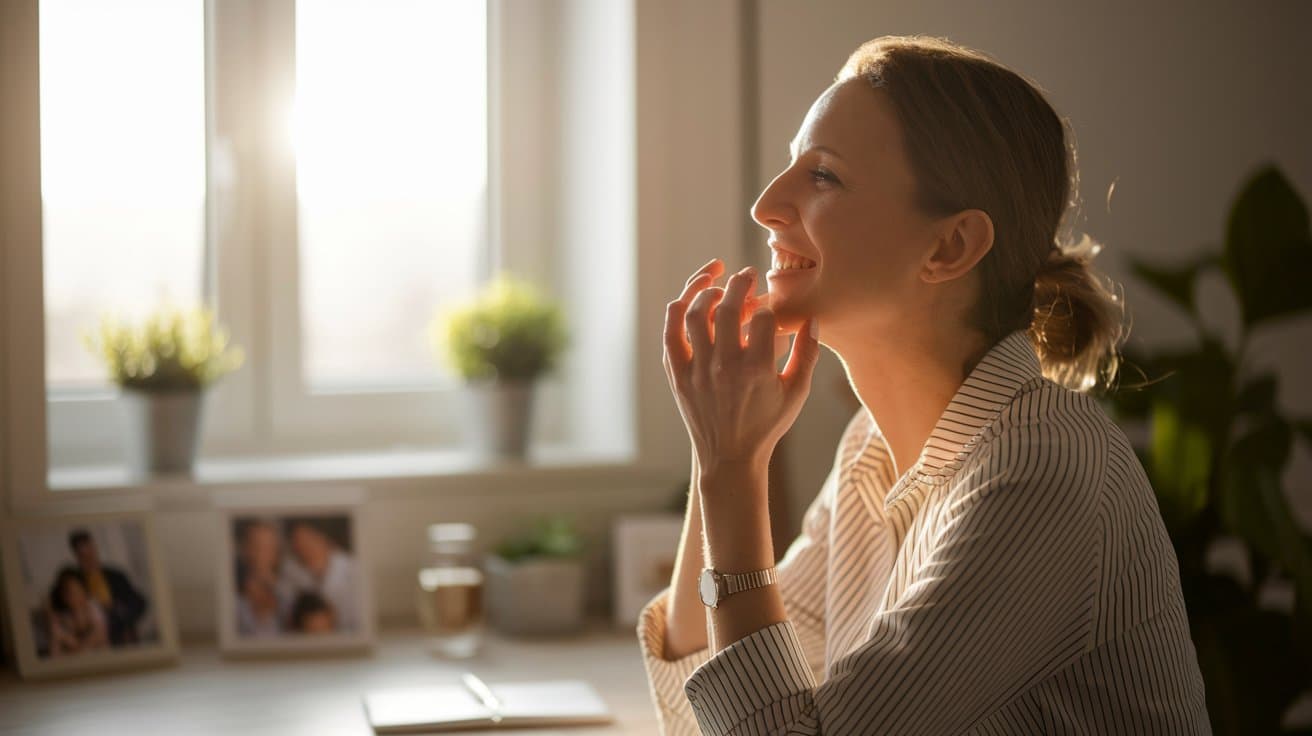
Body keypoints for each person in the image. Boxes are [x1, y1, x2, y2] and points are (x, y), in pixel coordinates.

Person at [636, 36, 1210, 735]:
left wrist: (730, 467)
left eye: (824, 176)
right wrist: (722, 453)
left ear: (949, 247)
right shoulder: (870, 454)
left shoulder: (1044, 472)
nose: (766, 205)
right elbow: (699, 711)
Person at [68, 529, 148, 646]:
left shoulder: (116, 575)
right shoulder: (74, 581)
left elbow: (139, 602)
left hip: (121, 629)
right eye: (83, 555)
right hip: (93, 635)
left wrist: (123, 616)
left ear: (95, 549)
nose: (89, 558)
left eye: (91, 552)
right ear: (77, 556)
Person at [283, 519, 360, 632]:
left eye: (308, 538)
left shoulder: (353, 569)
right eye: (297, 540)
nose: (303, 546)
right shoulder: (289, 570)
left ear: (324, 537)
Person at [234, 520, 291, 637]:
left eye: (268, 547)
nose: (260, 553)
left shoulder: (290, 593)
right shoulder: (233, 595)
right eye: (255, 546)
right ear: (244, 549)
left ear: (276, 552)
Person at [46, 567, 109, 657]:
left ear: (84, 590)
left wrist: (79, 646)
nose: (73, 597)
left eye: (76, 591)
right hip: (70, 658)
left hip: (96, 655)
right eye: (68, 592)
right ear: (62, 595)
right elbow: (55, 648)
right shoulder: (60, 614)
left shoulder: (92, 607)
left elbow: (100, 634)